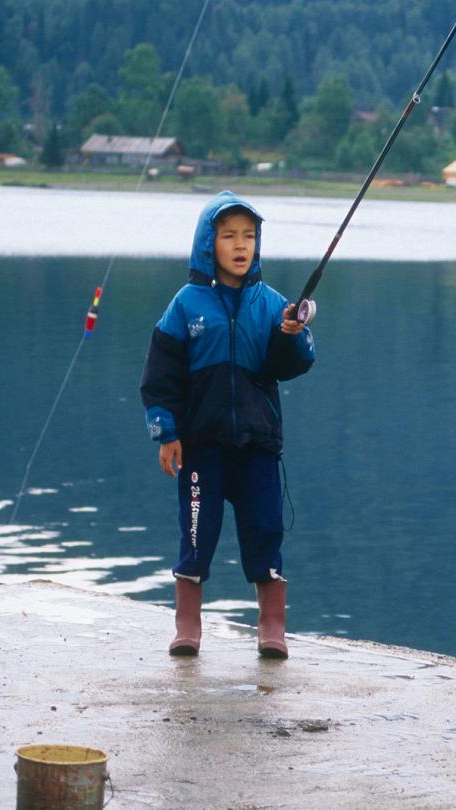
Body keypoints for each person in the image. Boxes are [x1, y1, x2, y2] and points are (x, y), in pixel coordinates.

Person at [140, 190, 315, 659]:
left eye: (250, 236)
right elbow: (160, 376)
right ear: (207, 244)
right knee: (198, 531)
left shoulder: (272, 303)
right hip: (201, 445)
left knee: (265, 529)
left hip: (258, 443)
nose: (241, 245)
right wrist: (166, 432)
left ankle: (272, 627)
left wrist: (292, 336)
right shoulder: (185, 304)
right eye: (229, 236)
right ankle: (187, 625)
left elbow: (294, 364)